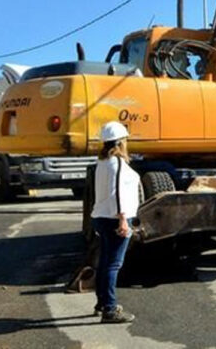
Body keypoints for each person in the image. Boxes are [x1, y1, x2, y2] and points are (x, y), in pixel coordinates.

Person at [91, 121, 140, 324]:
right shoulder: (117, 163)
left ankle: (102, 303)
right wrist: (123, 220)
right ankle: (110, 309)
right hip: (115, 218)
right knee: (113, 264)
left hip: (101, 217)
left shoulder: (102, 163)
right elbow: (118, 191)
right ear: (120, 142)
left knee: (105, 262)